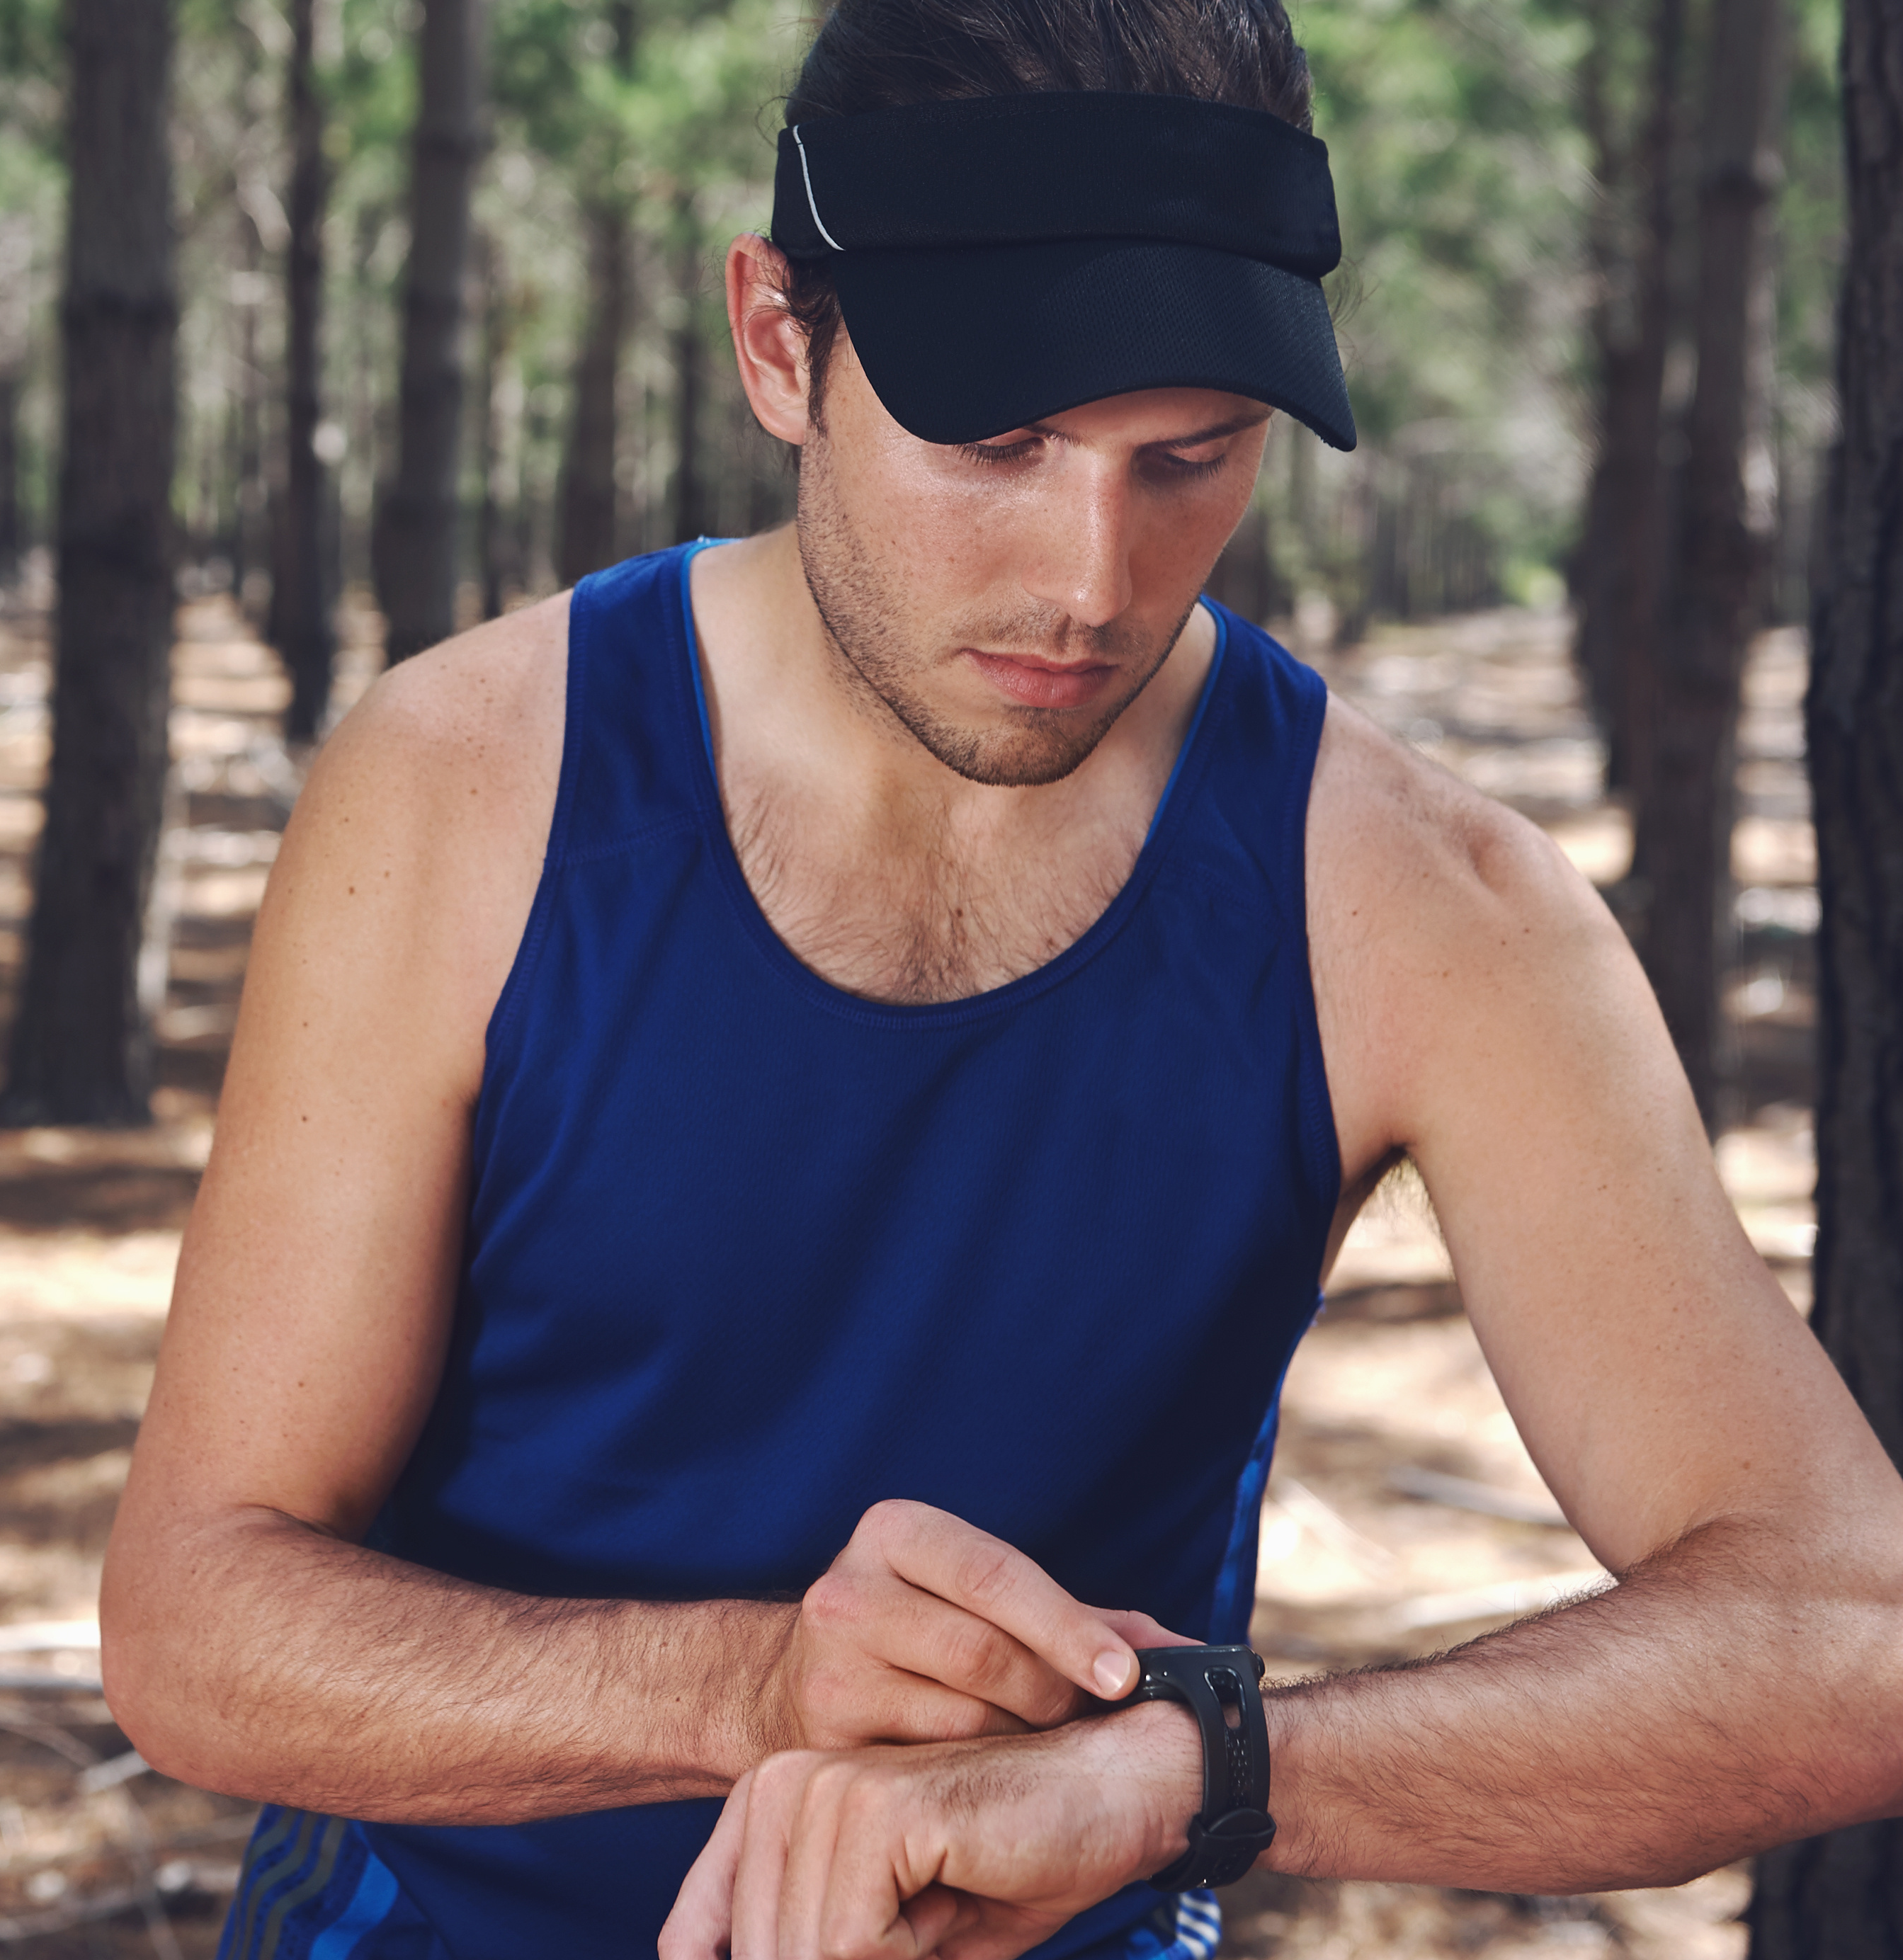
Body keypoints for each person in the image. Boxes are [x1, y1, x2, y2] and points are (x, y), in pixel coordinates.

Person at [97, 3, 1903, 1957]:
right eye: (998, 439)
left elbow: (1850, 1635)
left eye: (1188, 457)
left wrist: (1194, 1774)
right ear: (781, 343)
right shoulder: (464, 792)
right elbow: (193, 1626)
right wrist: (755, 1693)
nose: (1092, 576)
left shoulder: (1428, 907)